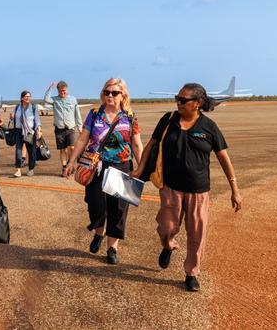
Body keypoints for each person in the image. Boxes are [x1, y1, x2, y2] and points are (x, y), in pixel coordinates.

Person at [131, 83, 242, 292]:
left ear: (197, 103)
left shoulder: (209, 127)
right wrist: (139, 170)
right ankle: (168, 245)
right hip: (171, 187)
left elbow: (224, 158)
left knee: (196, 233)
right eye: (177, 98)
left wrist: (235, 189)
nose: (178, 103)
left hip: (198, 190)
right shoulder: (168, 120)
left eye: (183, 100)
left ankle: (191, 273)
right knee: (166, 227)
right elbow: (151, 145)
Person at [64, 78, 143, 264]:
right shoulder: (95, 114)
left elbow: (137, 144)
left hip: (121, 165)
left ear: (123, 95)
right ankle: (99, 233)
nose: (109, 95)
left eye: (114, 93)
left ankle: (112, 248)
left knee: (118, 209)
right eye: (106, 92)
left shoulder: (130, 116)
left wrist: (142, 168)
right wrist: (71, 161)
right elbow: (83, 139)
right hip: (96, 166)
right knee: (96, 205)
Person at [44, 80, 83, 176]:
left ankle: (71, 164)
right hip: (59, 128)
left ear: (67, 89)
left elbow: (77, 114)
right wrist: (50, 89)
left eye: (64, 90)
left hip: (70, 128)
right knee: (63, 149)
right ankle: (64, 167)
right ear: (58, 91)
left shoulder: (73, 99)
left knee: (72, 147)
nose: (63, 92)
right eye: (61, 91)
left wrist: (80, 127)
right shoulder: (54, 99)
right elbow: (46, 99)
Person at [10, 90, 42, 177]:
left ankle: (31, 169)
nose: (28, 98)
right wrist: (11, 118)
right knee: (18, 151)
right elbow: (13, 120)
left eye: (29, 96)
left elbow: (37, 119)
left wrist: (38, 130)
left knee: (31, 151)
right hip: (18, 131)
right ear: (22, 98)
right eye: (26, 96)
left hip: (30, 132)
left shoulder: (33, 107)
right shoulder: (17, 107)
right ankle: (18, 170)